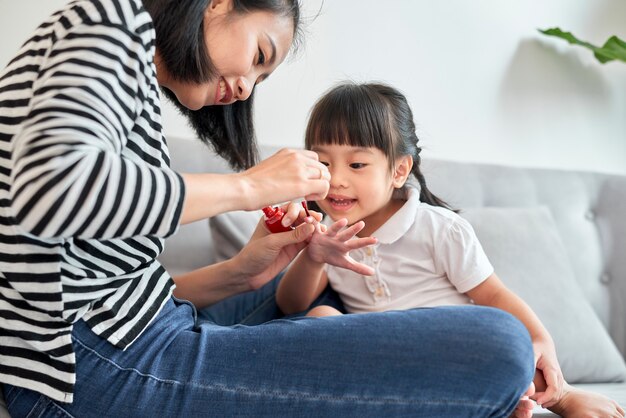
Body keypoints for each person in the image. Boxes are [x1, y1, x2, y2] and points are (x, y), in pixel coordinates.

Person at [0, 0, 536, 416]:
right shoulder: (110, 21)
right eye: (259, 56)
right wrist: (249, 186)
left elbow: (105, 288)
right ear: (215, 3)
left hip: (120, 337)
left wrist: (241, 274)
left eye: (262, 79)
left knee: (319, 283)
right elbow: (51, 191)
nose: (245, 89)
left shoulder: (129, 66)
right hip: (89, 370)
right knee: (500, 345)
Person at [276, 81, 626, 418]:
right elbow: (290, 304)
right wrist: (314, 255)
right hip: (381, 365)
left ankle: (559, 396)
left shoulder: (439, 228)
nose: (336, 179)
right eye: (323, 163)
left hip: (449, 349)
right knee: (319, 318)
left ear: (399, 170)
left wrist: (541, 342)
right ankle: (473, 405)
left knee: (508, 348)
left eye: (356, 165)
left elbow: (494, 296)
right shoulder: (326, 235)